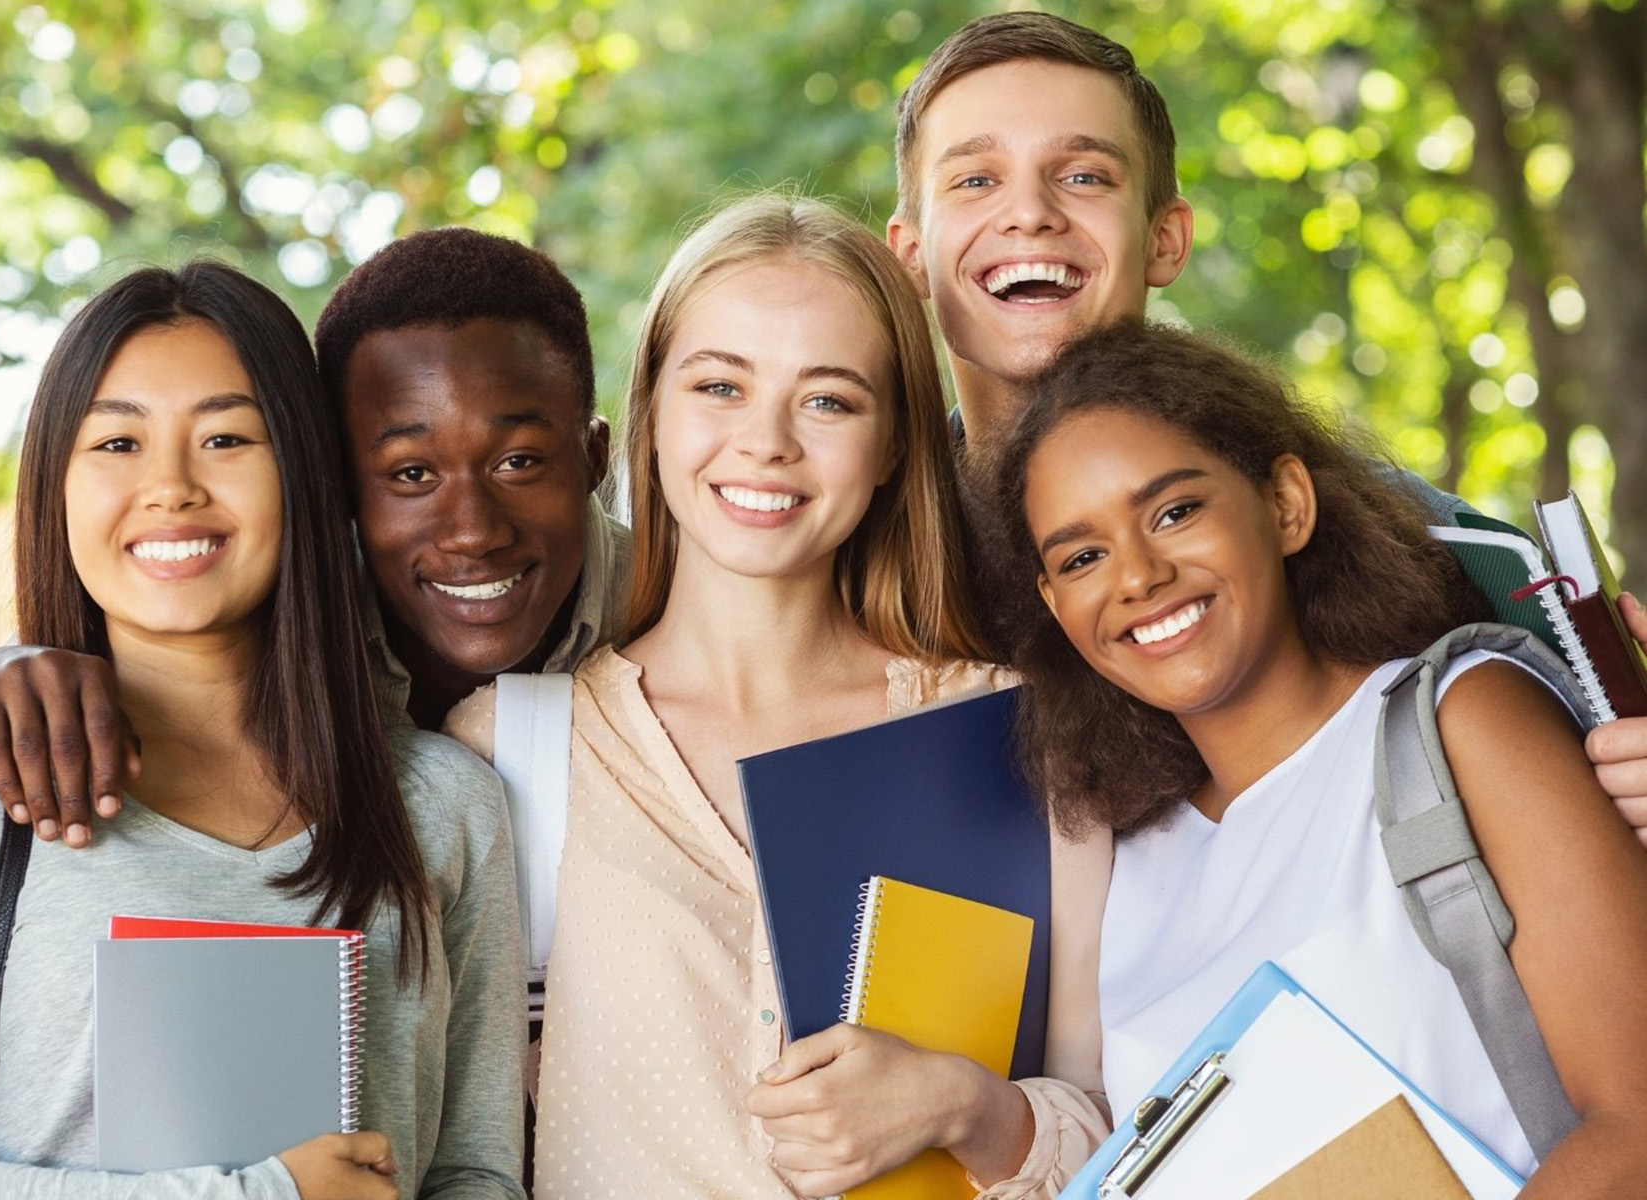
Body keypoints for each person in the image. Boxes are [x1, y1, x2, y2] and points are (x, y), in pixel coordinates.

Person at [445, 194, 1114, 1199]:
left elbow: (1124, 1132)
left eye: (829, 399)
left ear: (893, 444)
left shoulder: (1021, 739)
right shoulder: (513, 751)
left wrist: (967, 1110)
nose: (766, 443)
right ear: (652, 412)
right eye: (719, 385)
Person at [0, 262, 526, 1199]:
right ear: (56, 484)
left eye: (225, 437)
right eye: (118, 442)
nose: (170, 486)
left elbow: (473, 1173)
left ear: (303, 472)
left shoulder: (448, 805)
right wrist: (261, 1195)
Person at [880, 6, 1647, 833]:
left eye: (1085, 176)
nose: (1029, 213)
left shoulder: (1413, 539)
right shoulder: (862, 554)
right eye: (974, 180)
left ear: (1166, 239)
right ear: (912, 255)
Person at [998, 320, 1647, 1192]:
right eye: (1082, 556)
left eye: (1175, 511)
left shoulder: (1462, 719)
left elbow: (1634, 1123)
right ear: (1055, 602)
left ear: (1286, 504)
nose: (1138, 576)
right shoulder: (1122, 862)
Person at [0, 229, 627, 879]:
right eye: (411, 474)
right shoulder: (273, 616)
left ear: (594, 457)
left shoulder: (678, 614)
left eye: (519, 462)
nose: (471, 530)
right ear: (340, 484)